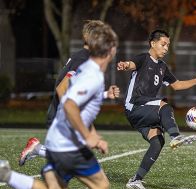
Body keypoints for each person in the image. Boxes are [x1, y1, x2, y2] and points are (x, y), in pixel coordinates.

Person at [0, 23, 118, 189]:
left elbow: (79, 97)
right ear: (109, 49)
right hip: (67, 137)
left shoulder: (90, 68)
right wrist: (87, 135)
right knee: (100, 186)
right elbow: (65, 93)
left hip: (60, 135)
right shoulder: (89, 66)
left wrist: (104, 96)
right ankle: (37, 150)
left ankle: (7, 174)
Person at [117, 29, 196, 189]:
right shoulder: (143, 58)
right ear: (153, 44)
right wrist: (125, 65)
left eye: (168, 45)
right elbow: (131, 64)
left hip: (144, 110)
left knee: (157, 141)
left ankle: (135, 180)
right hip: (135, 105)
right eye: (163, 44)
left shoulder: (162, 67)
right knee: (164, 105)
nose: (166, 48)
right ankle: (175, 136)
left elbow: (177, 85)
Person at [18, 20, 120, 168]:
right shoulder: (83, 59)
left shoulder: (85, 58)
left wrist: (104, 94)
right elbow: (62, 89)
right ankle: (27, 159)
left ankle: (37, 151)